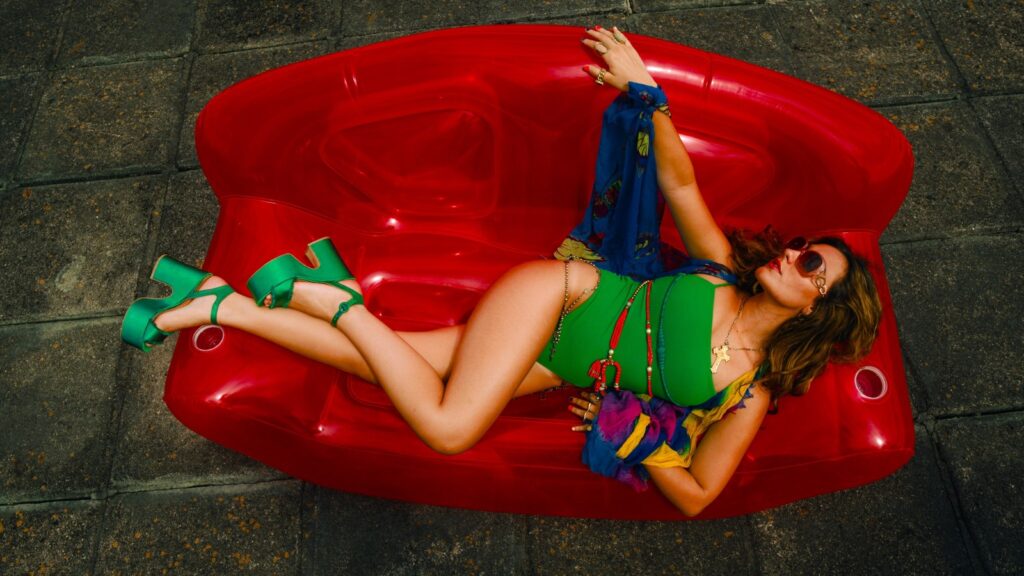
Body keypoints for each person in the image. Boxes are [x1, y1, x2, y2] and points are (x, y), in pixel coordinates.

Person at [121, 26, 882, 517]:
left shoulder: (745, 394)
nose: (791, 252)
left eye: (809, 261)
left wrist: (637, 433)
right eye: (802, 245)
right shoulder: (720, 271)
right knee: (449, 430)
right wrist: (646, 90)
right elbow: (679, 185)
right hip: (558, 296)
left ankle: (223, 305)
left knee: (389, 363)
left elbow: (698, 495)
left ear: (819, 305)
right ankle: (337, 298)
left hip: (557, 363)